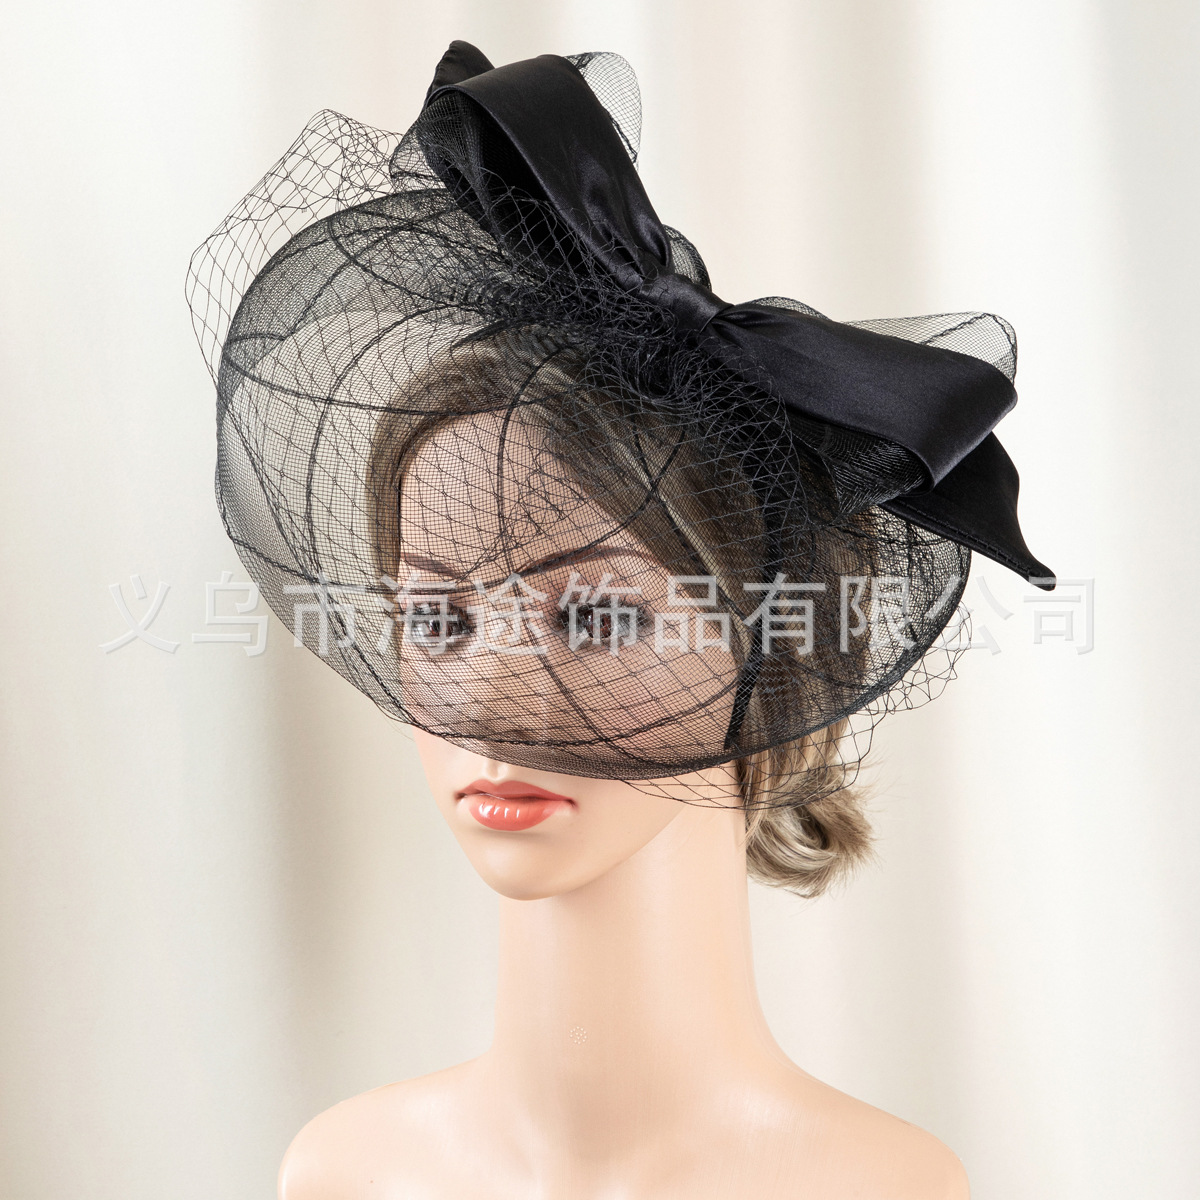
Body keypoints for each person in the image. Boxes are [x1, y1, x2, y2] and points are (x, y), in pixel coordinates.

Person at [187, 39, 1052, 1199]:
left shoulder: (884, 1186)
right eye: (438, 619)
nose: (489, 701)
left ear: (777, 645)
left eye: (593, 617)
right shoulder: (346, 1174)